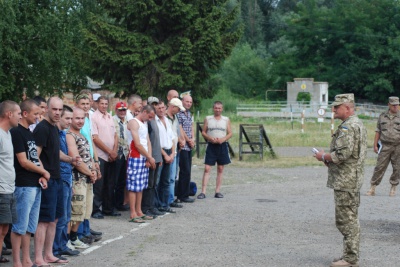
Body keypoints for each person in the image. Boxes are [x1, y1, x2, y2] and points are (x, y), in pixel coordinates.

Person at [314, 94, 367, 267]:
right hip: (350, 178)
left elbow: (343, 154)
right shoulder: (356, 124)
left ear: (347, 108)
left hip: (347, 181)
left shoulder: (348, 127)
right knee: (349, 217)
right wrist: (329, 160)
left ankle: (351, 259)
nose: (334, 110)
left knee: (346, 220)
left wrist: (323, 156)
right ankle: (349, 255)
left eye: (337, 107)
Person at [33, 97, 78, 266]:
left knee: (55, 219)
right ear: (47, 110)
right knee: (44, 220)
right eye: (55, 109)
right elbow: (35, 156)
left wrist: (70, 159)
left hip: (58, 179)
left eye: (60, 110)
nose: (58, 113)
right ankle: (38, 258)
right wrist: (43, 174)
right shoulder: (42, 128)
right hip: (48, 181)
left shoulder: (53, 127)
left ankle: (49, 254)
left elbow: (56, 152)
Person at [10, 100, 50, 267]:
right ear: (25, 114)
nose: (38, 117)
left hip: (35, 184)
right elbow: (23, 161)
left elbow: (35, 158)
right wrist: (42, 171)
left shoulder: (29, 133)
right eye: (35, 114)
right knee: (20, 226)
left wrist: (43, 175)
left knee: (29, 227)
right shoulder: (16, 133)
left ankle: (27, 260)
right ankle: (17, 262)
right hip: (23, 184)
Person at [67, 108, 98, 249]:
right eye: (77, 118)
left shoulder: (82, 135)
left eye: (82, 118)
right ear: (71, 119)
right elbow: (76, 160)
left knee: (84, 210)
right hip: (77, 179)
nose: (80, 121)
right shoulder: (70, 135)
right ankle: (67, 239)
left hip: (87, 179)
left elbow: (89, 156)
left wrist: (94, 170)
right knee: (75, 211)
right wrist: (90, 172)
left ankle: (74, 237)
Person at [75, 92, 102, 243]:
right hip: (81, 161)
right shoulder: (76, 121)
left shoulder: (88, 119)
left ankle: (86, 228)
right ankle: (79, 232)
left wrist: (96, 160)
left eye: (87, 104)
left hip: (90, 159)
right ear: (77, 105)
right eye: (82, 104)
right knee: (81, 200)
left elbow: (90, 142)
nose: (85, 106)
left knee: (88, 200)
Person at [53, 105, 80, 257]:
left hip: (66, 177)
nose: (70, 121)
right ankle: (56, 248)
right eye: (67, 118)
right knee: (61, 216)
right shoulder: (56, 135)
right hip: (60, 178)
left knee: (67, 216)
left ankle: (62, 245)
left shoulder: (63, 133)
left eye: (71, 118)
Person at [91, 96, 119, 218]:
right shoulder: (94, 117)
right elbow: (95, 138)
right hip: (101, 155)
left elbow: (115, 135)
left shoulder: (110, 117)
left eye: (105, 104)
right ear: (97, 104)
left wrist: (114, 151)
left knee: (110, 183)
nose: (103, 106)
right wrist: (109, 151)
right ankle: (96, 209)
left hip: (111, 156)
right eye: (101, 103)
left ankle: (108, 208)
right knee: (99, 184)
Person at [127, 105, 156, 223]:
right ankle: (133, 212)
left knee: (140, 186)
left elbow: (148, 141)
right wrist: (149, 157)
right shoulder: (134, 122)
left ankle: (139, 211)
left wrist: (149, 157)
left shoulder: (144, 123)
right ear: (144, 112)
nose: (150, 119)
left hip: (144, 157)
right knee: (134, 186)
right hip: (135, 156)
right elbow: (137, 144)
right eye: (149, 116)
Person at [197, 101, 232, 199]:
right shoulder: (208, 119)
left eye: (219, 108)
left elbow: (230, 133)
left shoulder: (226, 120)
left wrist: (222, 139)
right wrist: (209, 138)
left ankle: (217, 191)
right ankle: (203, 192)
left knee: (220, 168)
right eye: (216, 108)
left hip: (222, 145)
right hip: (211, 145)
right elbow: (203, 132)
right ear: (213, 108)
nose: (217, 110)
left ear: (222, 109)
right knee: (207, 168)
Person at [0, 100, 21, 264]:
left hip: (9, 188)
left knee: (5, 229)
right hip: (1, 190)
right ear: (9, 114)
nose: (20, 117)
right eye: (19, 113)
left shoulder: (7, 133)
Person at [366, 96, 400, 196]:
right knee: (379, 167)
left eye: (397, 105)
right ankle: (372, 188)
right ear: (388, 105)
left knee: (397, 168)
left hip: (398, 146)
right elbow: (378, 131)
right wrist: (375, 145)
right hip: (384, 146)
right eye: (393, 105)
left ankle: (393, 188)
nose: (395, 107)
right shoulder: (382, 116)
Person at [141, 97, 165, 217]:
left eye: (156, 104)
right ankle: (146, 207)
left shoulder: (155, 120)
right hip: (150, 157)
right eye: (152, 104)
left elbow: (157, 141)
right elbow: (147, 141)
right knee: (149, 184)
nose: (155, 106)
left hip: (156, 156)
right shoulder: (148, 121)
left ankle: (152, 206)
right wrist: (149, 157)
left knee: (154, 183)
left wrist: (159, 157)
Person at [155, 100, 177, 213]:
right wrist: (165, 155)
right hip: (160, 152)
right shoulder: (154, 122)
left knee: (166, 181)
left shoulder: (167, 121)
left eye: (163, 107)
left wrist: (172, 153)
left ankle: (164, 204)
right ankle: (156, 205)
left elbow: (172, 138)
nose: (161, 110)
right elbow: (156, 142)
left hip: (169, 151)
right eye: (159, 108)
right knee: (157, 181)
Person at [166, 97, 185, 209]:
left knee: (173, 176)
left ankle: (171, 198)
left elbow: (177, 131)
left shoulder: (175, 117)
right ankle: (166, 200)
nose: (179, 111)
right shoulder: (165, 118)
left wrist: (181, 140)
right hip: (168, 149)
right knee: (167, 177)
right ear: (172, 107)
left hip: (175, 149)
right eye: (178, 108)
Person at [176, 95, 195, 203]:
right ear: (182, 101)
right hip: (183, 145)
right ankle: (181, 195)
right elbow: (181, 129)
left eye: (190, 102)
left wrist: (193, 139)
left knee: (188, 171)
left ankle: (186, 192)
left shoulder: (189, 114)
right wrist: (188, 140)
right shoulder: (179, 114)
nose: (188, 104)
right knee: (184, 170)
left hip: (189, 146)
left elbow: (191, 127)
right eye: (187, 101)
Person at [113, 102, 130, 211]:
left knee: (122, 180)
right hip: (116, 152)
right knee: (113, 180)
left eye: (124, 110)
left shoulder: (128, 121)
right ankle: (111, 204)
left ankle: (119, 203)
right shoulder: (112, 120)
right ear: (116, 110)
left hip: (125, 153)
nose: (122, 112)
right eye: (120, 110)